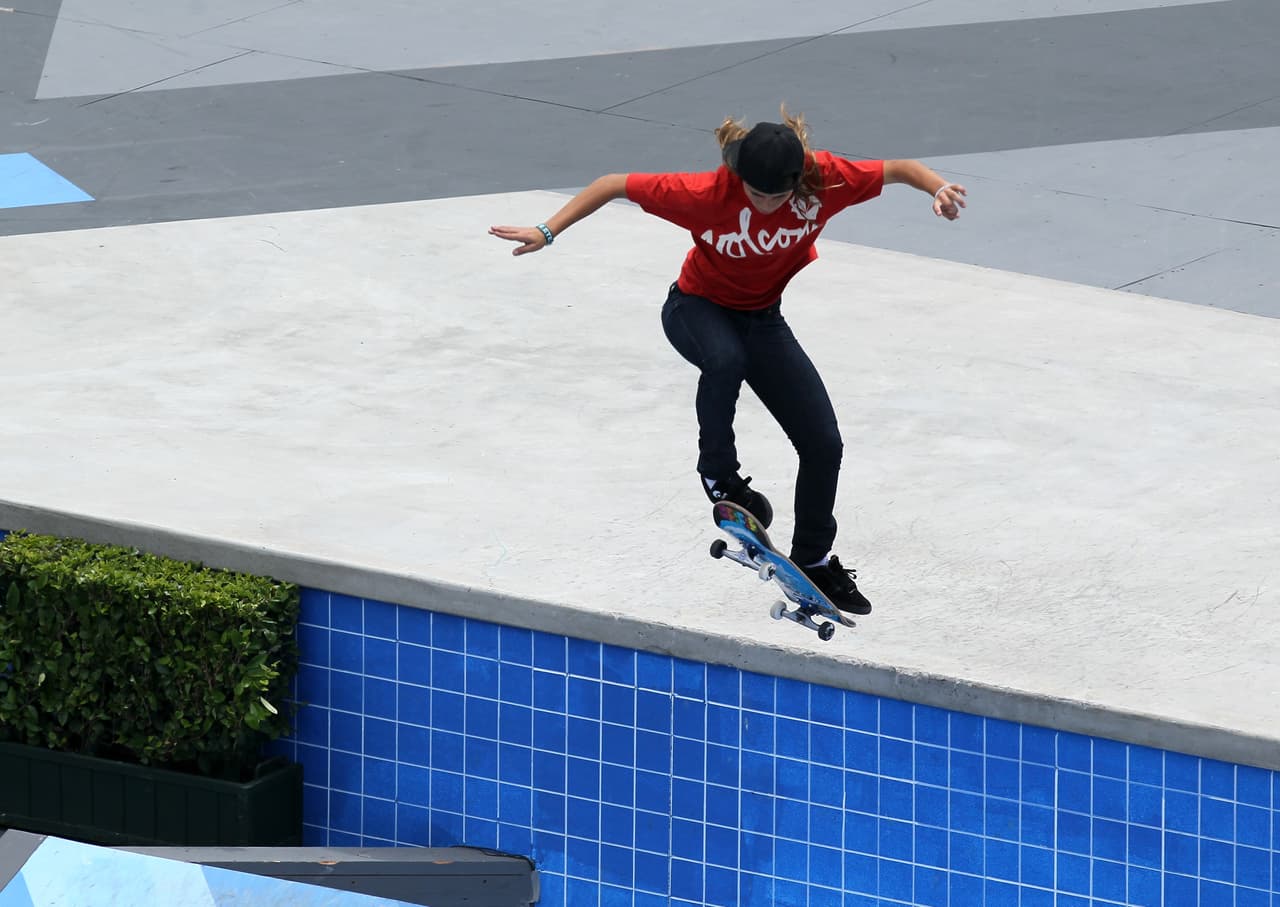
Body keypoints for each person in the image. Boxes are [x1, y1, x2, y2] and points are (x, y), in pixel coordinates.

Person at [489, 107, 966, 614]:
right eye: (755, 194)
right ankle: (720, 475)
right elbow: (613, 183)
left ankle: (814, 558)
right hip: (694, 309)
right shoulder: (705, 194)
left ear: (798, 180)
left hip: (763, 320)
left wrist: (937, 188)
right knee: (725, 360)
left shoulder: (823, 180)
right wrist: (548, 229)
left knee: (824, 443)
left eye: (776, 196)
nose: (763, 204)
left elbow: (899, 169)